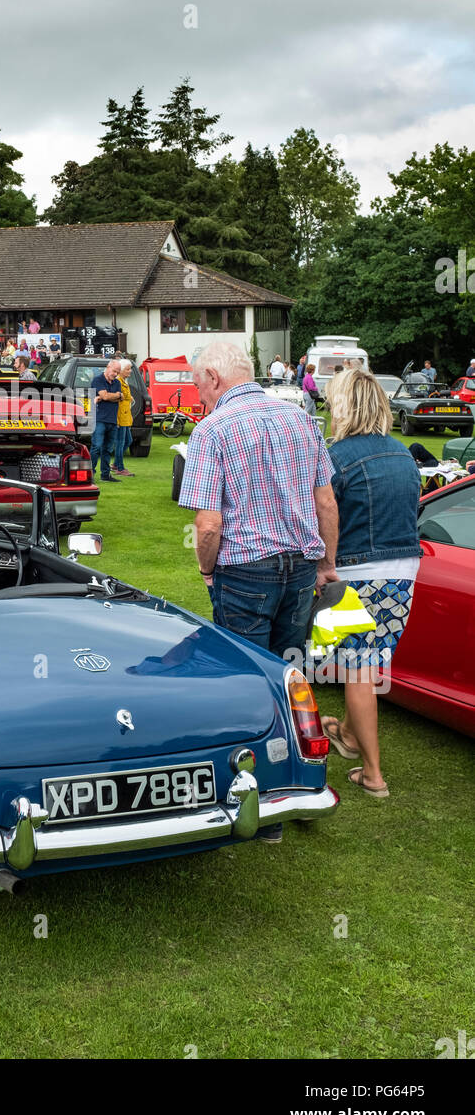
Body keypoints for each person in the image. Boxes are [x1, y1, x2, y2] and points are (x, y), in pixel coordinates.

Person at [179, 341, 339, 839]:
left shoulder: (213, 430)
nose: (198, 394)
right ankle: (296, 783)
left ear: (213, 376)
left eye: (198, 384)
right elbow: (326, 502)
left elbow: (208, 525)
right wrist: (326, 563)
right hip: (298, 567)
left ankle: (258, 800)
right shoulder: (300, 420)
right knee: (289, 674)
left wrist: (207, 571)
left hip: (245, 569)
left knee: (245, 683)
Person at [318, 369, 423, 799]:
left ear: (341, 406)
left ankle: (373, 774)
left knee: (357, 670)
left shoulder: (334, 457)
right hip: (404, 573)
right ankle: (348, 732)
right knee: (366, 662)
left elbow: (323, 517)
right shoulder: (404, 455)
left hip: (354, 573)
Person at [89, 359, 123, 482]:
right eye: (114, 371)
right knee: (96, 447)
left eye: (118, 372)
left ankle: (105, 475)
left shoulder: (117, 383)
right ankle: (89, 474)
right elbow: (105, 396)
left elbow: (115, 397)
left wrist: (113, 396)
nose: (115, 374)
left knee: (108, 449)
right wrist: (117, 396)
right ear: (108, 367)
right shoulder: (98, 380)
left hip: (112, 420)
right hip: (99, 419)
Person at [112, 359, 135, 477]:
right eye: (128, 369)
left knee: (128, 440)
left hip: (126, 416)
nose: (130, 371)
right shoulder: (118, 382)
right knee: (120, 443)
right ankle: (120, 468)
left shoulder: (123, 381)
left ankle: (116, 463)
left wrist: (129, 397)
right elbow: (116, 398)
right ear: (120, 370)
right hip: (120, 417)